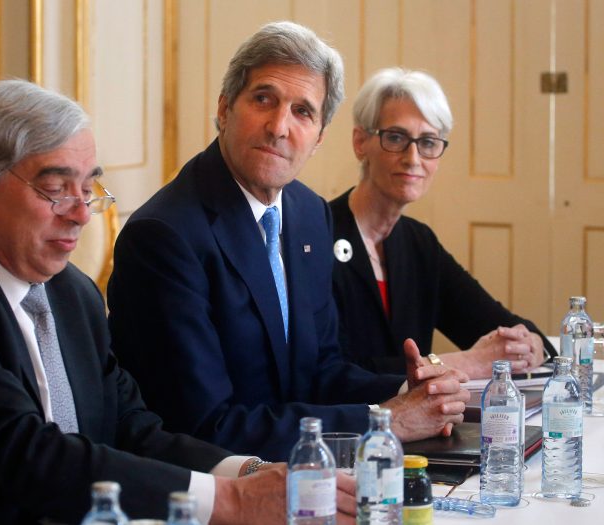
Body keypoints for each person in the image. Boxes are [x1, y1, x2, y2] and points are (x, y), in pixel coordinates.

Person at [0, 79, 359, 525]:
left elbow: (133, 429)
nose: (81, 215)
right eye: (56, 188)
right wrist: (229, 501)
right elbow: (28, 458)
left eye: (89, 189)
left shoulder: (72, 293)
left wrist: (248, 471)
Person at [107, 21, 470, 463]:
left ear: (318, 138)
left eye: (303, 111)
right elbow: (205, 425)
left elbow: (320, 370)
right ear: (224, 109)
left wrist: (407, 390)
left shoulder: (307, 212)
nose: (279, 126)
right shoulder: (164, 237)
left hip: (301, 467)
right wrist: (386, 421)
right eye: (264, 99)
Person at [330, 67, 555, 379]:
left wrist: (531, 345)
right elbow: (335, 375)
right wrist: (468, 363)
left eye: (428, 142)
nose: (413, 158)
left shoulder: (419, 243)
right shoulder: (317, 236)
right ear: (360, 143)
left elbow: (498, 324)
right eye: (396, 138)